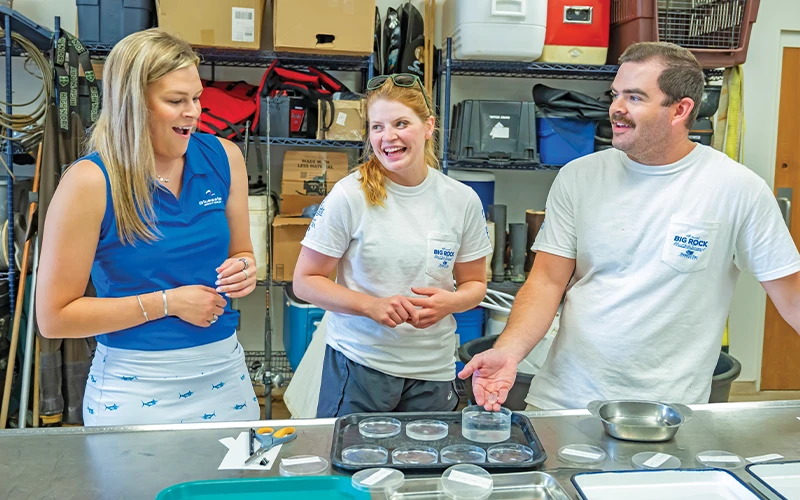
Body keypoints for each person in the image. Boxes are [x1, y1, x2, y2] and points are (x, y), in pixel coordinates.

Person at [460, 42, 800, 412]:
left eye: (635, 97)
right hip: (565, 400)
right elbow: (545, 281)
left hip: (669, 411)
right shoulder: (579, 177)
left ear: (680, 110)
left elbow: (792, 297)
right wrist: (508, 349)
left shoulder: (738, 188)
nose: (616, 108)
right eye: (616, 94)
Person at [36, 29, 259, 426]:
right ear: (134, 103)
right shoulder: (89, 183)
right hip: (135, 386)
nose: (193, 112)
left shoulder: (225, 158)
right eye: (176, 101)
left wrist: (244, 269)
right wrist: (169, 303)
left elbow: (241, 252)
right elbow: (54, 317)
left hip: (225, 375)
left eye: (197, 98)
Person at [293, 74, 493, 417]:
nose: (388, 137)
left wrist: (452, 302)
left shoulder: (462, 200)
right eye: (377, 127)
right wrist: (370, 306)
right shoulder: (349, 195)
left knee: (425, 467)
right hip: (360, 366)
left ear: (428, 127)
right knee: (351, 467)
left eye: (401, 123)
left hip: (433, 372)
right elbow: (305, 282)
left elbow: (476, 285)